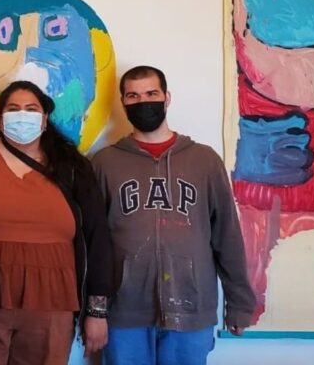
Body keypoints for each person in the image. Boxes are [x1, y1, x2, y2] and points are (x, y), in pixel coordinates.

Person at [91, 66, 255, 365]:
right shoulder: (105, 163)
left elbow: (227, 236)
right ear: (123, 103)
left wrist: (240, 304)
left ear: (167, 98)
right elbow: (93, 244)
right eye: (133, 96)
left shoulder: (204, 161)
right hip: (124, 311)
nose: (143, 102)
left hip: (191, 307)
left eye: (151, 93)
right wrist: (94, 310)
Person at [0, 80, 114, 365]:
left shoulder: (73, 167)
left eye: (31, 109)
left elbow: (97, 238)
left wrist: (97, 311)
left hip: (54, 303)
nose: (22, 115)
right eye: (13, 109)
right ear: (1, 120)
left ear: (44, 121)